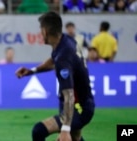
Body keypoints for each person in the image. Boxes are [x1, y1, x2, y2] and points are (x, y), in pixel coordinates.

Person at [16, 12, 95, 141]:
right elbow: (53, 60)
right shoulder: (65, 41)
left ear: (45, 31)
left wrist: (65, 130)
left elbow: (69, 95)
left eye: (41, 30)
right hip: (78, 105)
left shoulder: (64, 58)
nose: (40, 33)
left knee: (39, 131)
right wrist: (32, 71)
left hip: (79, 108)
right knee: (76, 139)